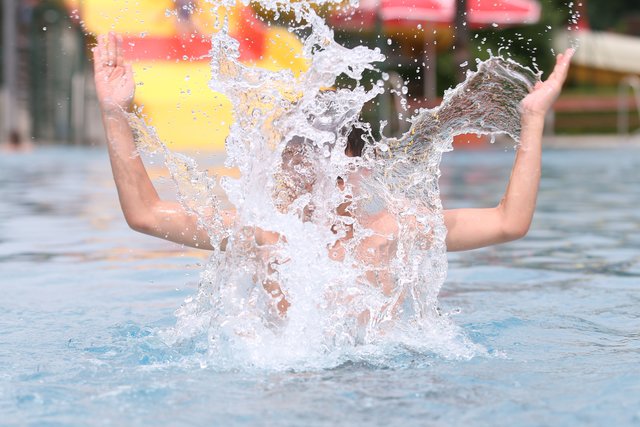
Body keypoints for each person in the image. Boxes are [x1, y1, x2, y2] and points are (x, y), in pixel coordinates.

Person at [93, 32, 573, 316]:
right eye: (292, 165)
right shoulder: (264, 238)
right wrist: (116, 112)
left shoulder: (395, 233)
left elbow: (510, 222)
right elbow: (146, 214)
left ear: (355, 170)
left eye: (319, 166)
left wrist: (531, 120)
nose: (303, 182)